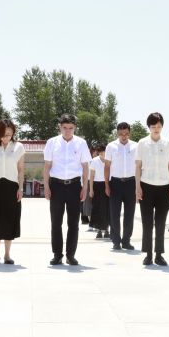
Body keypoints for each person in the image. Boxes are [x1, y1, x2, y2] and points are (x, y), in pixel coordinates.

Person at [44, 114, 91, 266]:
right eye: (64, 127)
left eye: (71, 128)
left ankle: (71, 255)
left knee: (73, 223)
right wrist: (46, 186)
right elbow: (47, 166)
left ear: (75, 127)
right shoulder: (52, 142)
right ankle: (57, 255)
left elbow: (85, 166)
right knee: (56, 222)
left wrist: (85, 187)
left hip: (74, 186)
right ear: (60, 127)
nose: (67, 131)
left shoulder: (81, 143)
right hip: (56, 186)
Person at [135, 112, 169, 266]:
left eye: (159, 126)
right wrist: (137, 187)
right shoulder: (142, 143)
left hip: (163, 187)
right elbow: (138, 166)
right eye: (153, 126)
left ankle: (159, 254)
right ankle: (148, 254)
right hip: (146, 186)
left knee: (160, 222)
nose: (156, 129)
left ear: (162, 126)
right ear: (149, 127)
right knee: (147, 223)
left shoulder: (168, 143)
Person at [0, 118, 25, 264]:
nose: (7, 137)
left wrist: (21, 188)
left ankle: (7, 255)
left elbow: (21, 169)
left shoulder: (19, 147)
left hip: (12, 187)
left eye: (9, 134)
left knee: (9, 220)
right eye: (4, 134)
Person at [104, 122, 138, 251]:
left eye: (126, 134)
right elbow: (107, 167)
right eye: (121, 134)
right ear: (117, 133)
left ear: (129, 133)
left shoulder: (136, 146)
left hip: (131, 183)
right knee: (114, 214)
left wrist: (138, 186)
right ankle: (116, 241)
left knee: (130, 214)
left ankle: (126, 241)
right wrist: (107, 185)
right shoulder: (111, 146)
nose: (124, 136)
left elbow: (139, 166)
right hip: (115, 183)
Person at [89, 143, 110, 239]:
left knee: (107, 208)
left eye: (103, 152)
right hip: (97, 186)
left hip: (107, 184)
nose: (102, 154)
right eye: (100, 152)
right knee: (97, 208)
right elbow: (91, 175)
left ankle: (107, 230)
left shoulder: (109, 160)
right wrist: (91, 189)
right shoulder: (94, 161)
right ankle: (98, 230)